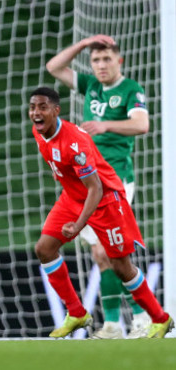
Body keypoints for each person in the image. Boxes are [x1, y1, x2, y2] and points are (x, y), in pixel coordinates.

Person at [28, 87, 172, 339]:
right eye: (33, 107)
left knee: (120, 265)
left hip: (104, 200)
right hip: (72, 197)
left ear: (55, 110)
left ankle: (160, 319)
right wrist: (61, 172)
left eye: (42, 107)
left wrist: (78, 225)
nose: (36, 113)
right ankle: (76, 312)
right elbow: (57, 161)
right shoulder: (39, 132)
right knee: (44, 248)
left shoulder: (75, 142)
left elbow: (95, 187)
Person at [46, 35, 151, 338]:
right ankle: (114, 325)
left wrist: (105, 125)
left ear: (119, 61)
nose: (101, 65)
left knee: (111, 251)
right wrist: (82, 45)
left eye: (107, 59)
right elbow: (54, 67)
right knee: (101, 253)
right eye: (96, 60)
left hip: (116, 181)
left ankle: (141, 317)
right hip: (87, 182)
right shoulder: (91, 86)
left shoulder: (131, 90)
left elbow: (142, 124)